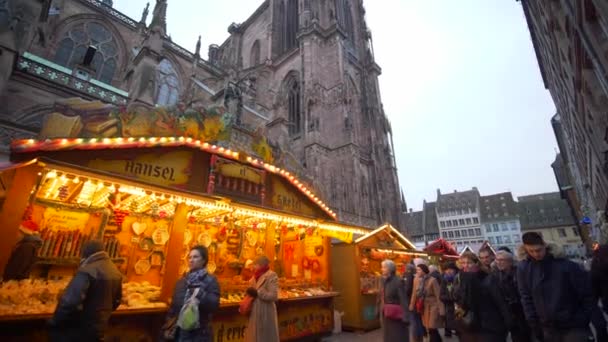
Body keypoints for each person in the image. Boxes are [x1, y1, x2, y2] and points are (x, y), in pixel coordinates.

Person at [517, 232, 593, 342]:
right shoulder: (524, 269)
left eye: (538, 250)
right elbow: (526, 297)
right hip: (548, 327)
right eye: (531, 251)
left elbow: (585, 293)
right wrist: (533, 322)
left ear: (544, 245)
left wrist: (584, 317)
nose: (536, 254)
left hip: (574, 324)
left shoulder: (565, 265)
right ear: (525, 249)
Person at [48, 240, 123, 341]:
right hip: (99, 328)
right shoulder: (115, 271)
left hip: (79, 329)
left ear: (86, 253)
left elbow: (70, 302)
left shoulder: (87, 270)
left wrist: (55, 321)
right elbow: (117, 301)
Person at [166, 245, 220, 342]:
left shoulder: (210, 280)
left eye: (195, 257)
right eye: (190, 257)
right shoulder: (182, 281)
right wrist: (169, 321)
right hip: (180, 332)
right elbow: (174, 305)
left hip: (199, 334)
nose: (191, 260)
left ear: (204, 260)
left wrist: (200, 294)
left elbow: (214, 305)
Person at [453, 252, 509, 342]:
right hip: (469, 325)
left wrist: (507, 321)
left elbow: (499, 301)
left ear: (476, 263)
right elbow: (458, 299)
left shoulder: (487, 278)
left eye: (469, 262)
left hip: (489, 324)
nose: (466, 266)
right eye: (463, 263)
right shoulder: (459, 278)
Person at [492, 250, 530, 342]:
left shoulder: (518, 272)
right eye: (497, 260)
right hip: (510, 312)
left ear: (510, 261)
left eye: (502, 260)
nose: (498, 262)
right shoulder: (497, 274)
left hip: (522, 310)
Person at [244, 256, 279, 342]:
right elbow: (252, 290)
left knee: (265, 337)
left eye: (255, 265)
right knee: (254, 337)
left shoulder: (272, 275)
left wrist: (258, 293)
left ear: (260, 265)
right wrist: (249, 292)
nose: (253, 267)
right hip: (255, 311)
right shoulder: (254, 277)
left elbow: (274, 296)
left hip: (266, 312)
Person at [410, 264, 444, 342]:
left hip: (433, 307)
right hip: (423, 307)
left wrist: (441, 310)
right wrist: (411, 305)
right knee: (429, 328)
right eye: (417, 270)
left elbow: (438, 295)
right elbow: (414, 293)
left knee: (432, 328)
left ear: (424, 271)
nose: (417, 271)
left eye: (419, 270)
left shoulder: (432, 280)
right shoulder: (416, 279)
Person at [379, 259, 409, 342]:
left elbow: (403, 299)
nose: (382, 269)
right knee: (387, 336)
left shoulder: (398, 281)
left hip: (396, 316)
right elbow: (381, 296)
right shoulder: (383, 280)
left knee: (397, 336)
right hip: (386, 314)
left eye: (384, 267)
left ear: (390, 269)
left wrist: (406, 316)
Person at [439, 263, 458, 338]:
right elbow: (441, 295)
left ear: (455, 270)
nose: (448, 271)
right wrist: (452, 298)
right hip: (450, 307)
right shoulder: (444, 280)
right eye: (446, 269)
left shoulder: (460, 278)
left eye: (450, 269)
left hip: (460, 308)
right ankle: (448, 332)